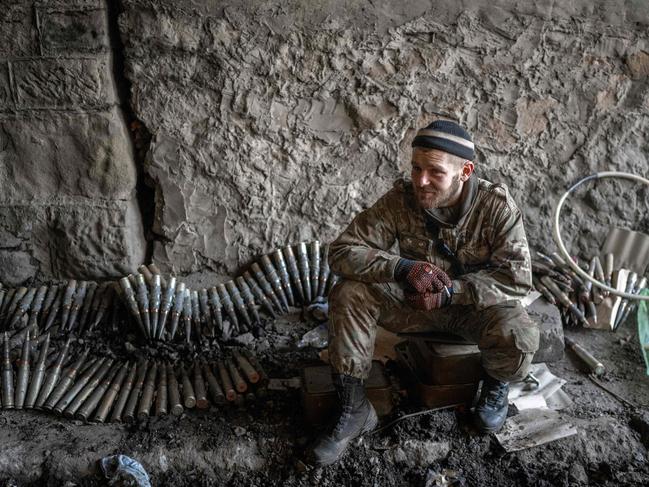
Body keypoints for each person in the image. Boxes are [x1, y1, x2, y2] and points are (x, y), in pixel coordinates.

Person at [309, 119, 540, 466]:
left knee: (519, 333)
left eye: (435, 172)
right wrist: (401, 268)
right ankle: (354, 408)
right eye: (416, 168)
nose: (421, 181)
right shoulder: (402, 200)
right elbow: (342, 251)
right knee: (349, 291)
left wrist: (453, 292)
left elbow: (516, 280)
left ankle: (495, 387)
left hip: (472, 311)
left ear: (465, 171)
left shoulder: (496, 208)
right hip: (413, 305)